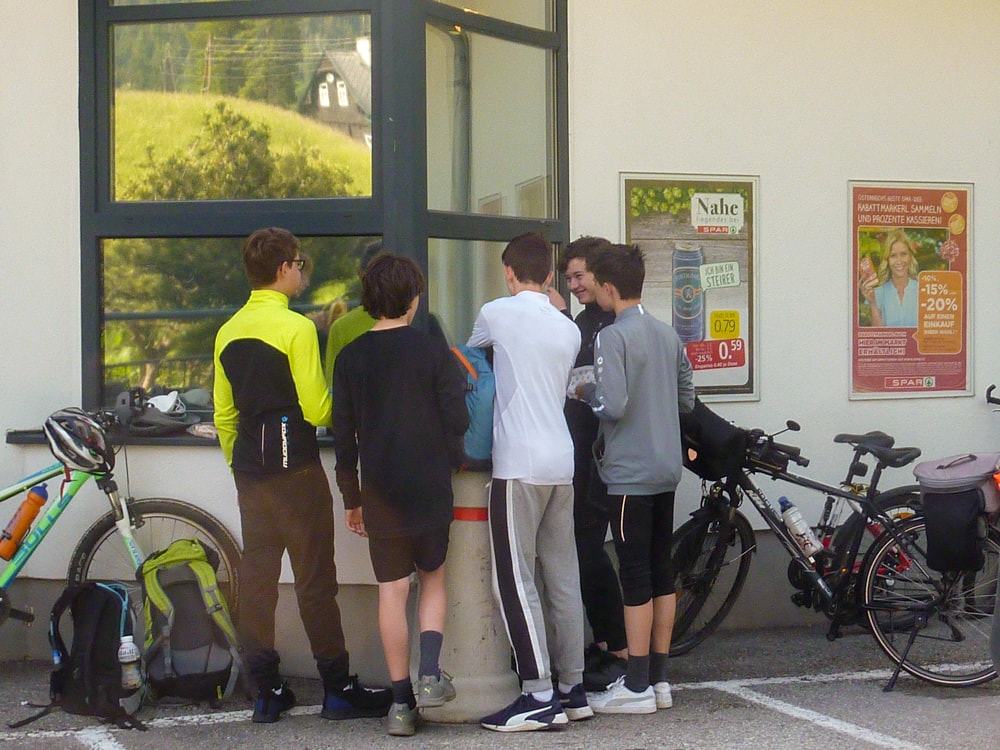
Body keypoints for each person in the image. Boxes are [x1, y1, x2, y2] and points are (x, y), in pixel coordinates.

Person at [212, 227, 391, 724]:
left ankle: (266, 689)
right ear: (283, 269)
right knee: (314, 580)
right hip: (297, 470)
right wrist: (356, 408)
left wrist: (239, 465)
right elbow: (316, 408)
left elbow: (224, 414)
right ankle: (337, 687)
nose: (301, 271)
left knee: (259, 579)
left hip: (250, 469)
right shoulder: (295, 328)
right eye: (298, 263)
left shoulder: (227, 331)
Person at [332, 253, 469, 737]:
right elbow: (458, 420)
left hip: (380, 491)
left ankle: (400, 704)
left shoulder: (351, 358)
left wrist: (351, 498)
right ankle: (430, 673)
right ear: (413, 299)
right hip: (429, 485)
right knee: (432, 577)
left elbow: (343, 436)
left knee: (392, 591)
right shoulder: (433, 352)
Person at [469, 233, 592, 732]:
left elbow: (471, 356)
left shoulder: (495, 313)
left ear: (508, 272)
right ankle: (573, 688)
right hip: (561, 461)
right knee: (563, 577)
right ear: (549, 275)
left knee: (516, 580)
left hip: (517, 462)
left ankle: (538, 693)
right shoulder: (568, 328)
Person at [577, 243, 695, 714]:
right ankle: (659, 679)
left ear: (608, 288)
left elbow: (614, 404)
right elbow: (686, 399)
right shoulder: (668, 334)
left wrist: (586, 392)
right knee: (661, 570)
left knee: (634, 575)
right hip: (667, 467)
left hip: (628, 473)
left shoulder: (611, 337)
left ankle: (637, 683)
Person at [548, 237, 628, 691]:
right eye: (569, 278)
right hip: (581, 453)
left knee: (589, 548)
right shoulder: (586, 320)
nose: (574, 284)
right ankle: (607, 643)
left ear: (601, 275)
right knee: (584, 548)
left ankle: (618, 646)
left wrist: (558, 320)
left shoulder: (611, 324)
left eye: (579, 276)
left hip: (604, 456)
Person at [861, 228, 919, 327]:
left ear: (910, 257)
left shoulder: (923, 290)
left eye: (903, 254)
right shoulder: (877, 293)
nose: (899, 261)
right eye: (893, 255)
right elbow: (878, 334)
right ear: (887, 260)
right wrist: (873, 303)